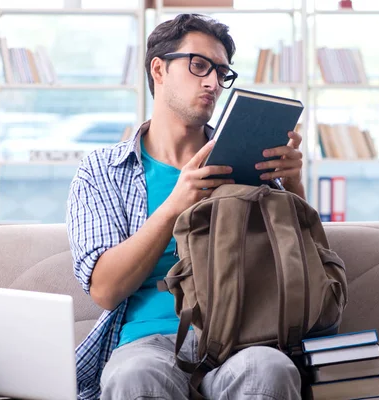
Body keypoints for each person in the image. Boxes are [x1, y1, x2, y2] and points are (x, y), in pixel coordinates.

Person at [67, 13, 306, 400]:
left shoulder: (244, 162)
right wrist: (176, 204)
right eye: (199, 65)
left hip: (240, 339)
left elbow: (297, 265)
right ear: (158, 69)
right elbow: (106, 289)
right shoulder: (102, 171)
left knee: (271, 370)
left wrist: (292, 184)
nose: (213, 82)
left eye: (222, 73)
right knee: (134, 377)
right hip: (146, 342)